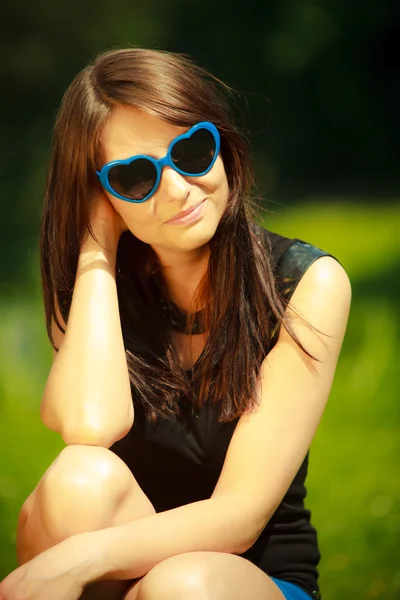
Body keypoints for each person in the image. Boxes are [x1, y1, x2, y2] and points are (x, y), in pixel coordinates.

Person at [0, 47, 351, 600]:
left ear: (223, 145)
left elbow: (239, 516)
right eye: (134, 177)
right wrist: (95, 248)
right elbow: (89, 429)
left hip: (242, 580)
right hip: (120, 574)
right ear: (100, 195)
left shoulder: (305, 283)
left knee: (180, 585)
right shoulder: (101, 288)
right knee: (77, 481)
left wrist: (74, 561)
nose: (178, 189)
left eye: (191, 151)